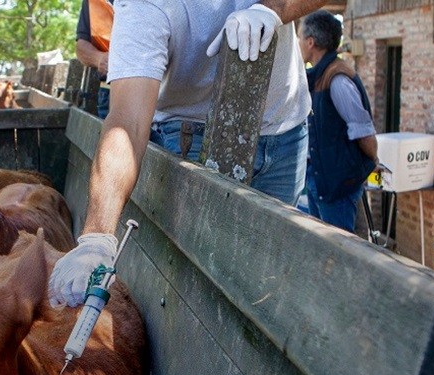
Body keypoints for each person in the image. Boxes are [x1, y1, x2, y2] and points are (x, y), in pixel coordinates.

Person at [49, 1, 326, 308]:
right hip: (191, 134)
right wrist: (97, 237)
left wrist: (272, 9)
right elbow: (127, 122)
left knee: (274, 272)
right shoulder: (143, 7)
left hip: (285, 127)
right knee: (206, 282)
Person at [299, 10, 378, 233]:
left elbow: (364, 131)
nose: (299, 44)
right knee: (322, 249)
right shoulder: (318, 75)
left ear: (310, 42)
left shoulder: (338, 79)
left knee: (340, 252)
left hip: (338, 185)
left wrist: (373, 159)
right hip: (320, 181)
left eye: (300, 39)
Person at [75, 0, 114, 119]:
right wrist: (100, 58)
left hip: (159, 92)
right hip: (110, 92)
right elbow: (81, 46)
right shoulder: (92, 2)